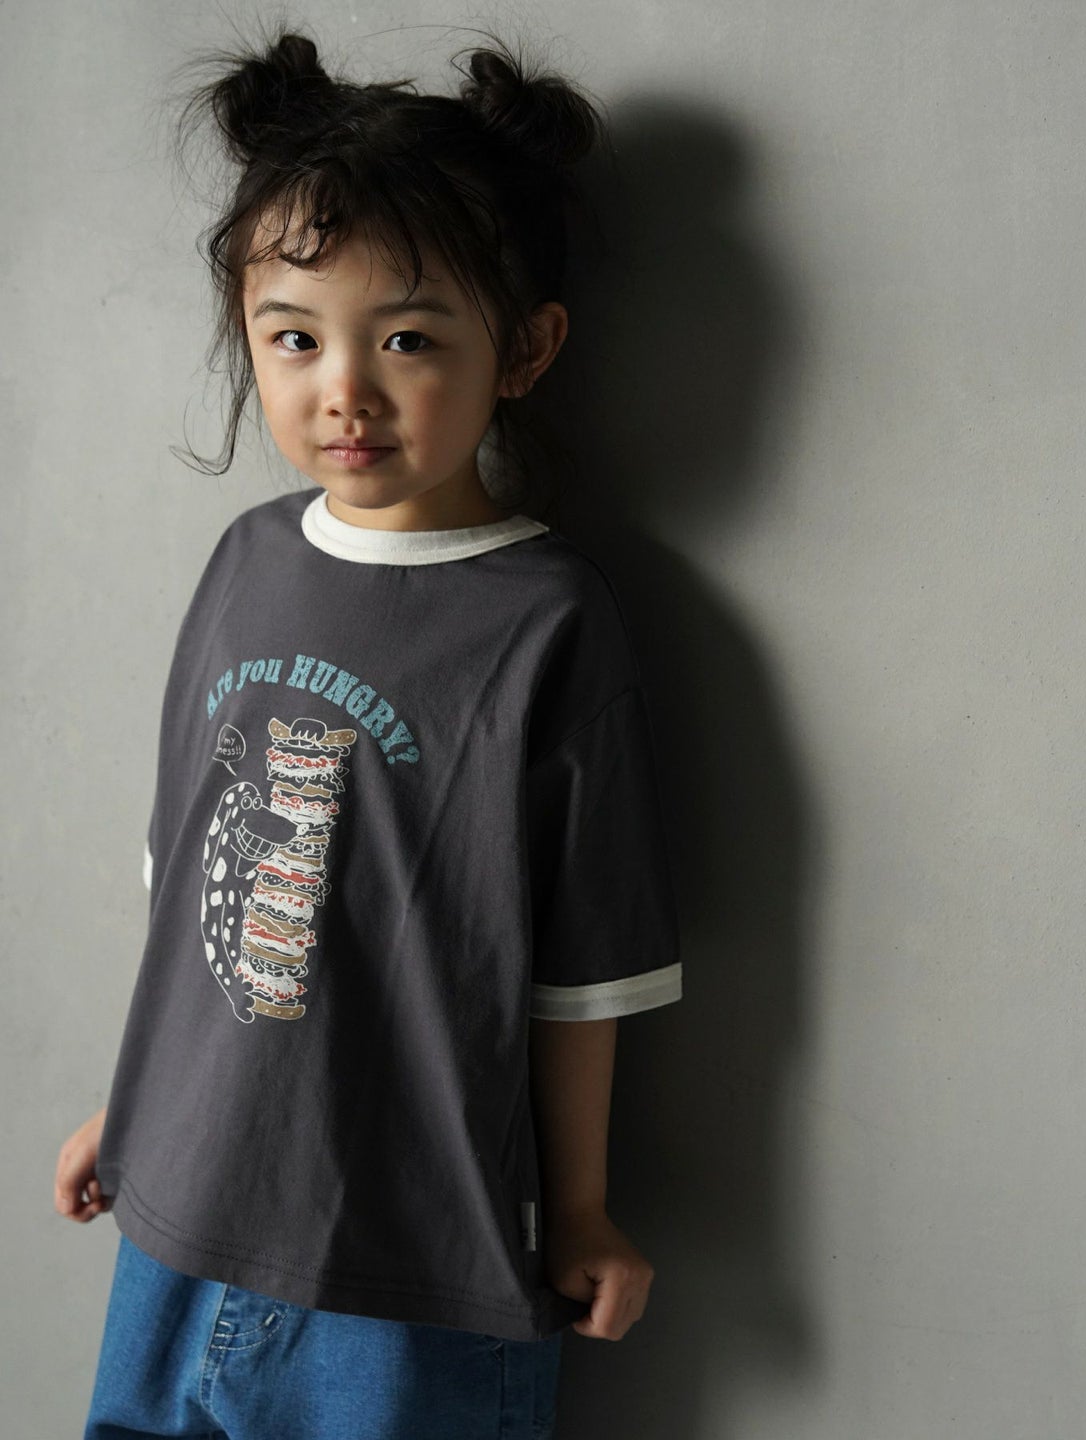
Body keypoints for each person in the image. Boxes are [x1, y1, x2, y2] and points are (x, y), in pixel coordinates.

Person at [53, 27, 681, 1439]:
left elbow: (582, 967)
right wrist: (138, 1107)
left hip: (412, 1262)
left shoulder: (547, 620)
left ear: (524, 348)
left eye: (406, 337)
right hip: (183, 1223)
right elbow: (189, 891)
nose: (344, 386)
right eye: (295, 336)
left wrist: (579, 1206)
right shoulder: (244, 564)